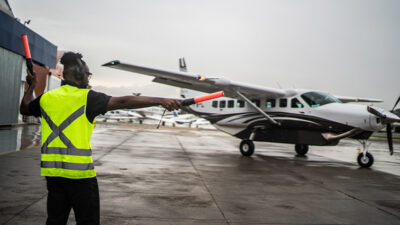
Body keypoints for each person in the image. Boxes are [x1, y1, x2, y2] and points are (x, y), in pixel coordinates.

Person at [19, 52, 181, 225]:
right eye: (88, 74)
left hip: (54, 176)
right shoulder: (87, 98)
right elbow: (123, 102)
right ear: (80, 75)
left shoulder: (47, 98)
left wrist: (32, 87)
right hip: (81, 177)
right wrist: (161, 100)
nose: (89, 79)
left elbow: (25, 108)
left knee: (55, 221)